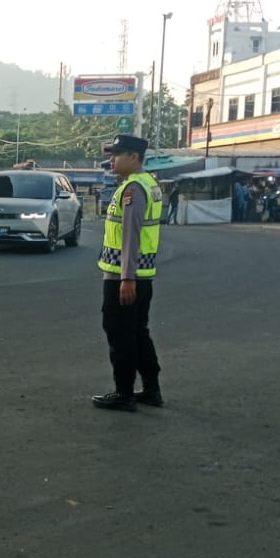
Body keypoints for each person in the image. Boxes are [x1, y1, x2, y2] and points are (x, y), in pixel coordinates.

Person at [92, 134, 165, 411]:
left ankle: (123, 393)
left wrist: (126, 278)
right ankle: (151, 389)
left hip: (124, 277)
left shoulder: (134, 189)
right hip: (141, 275)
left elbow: (130, 236)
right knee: (137, 331)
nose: (112, 159)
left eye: (117, 154)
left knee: (120, 332)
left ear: (134, 157)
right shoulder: (146, 183)